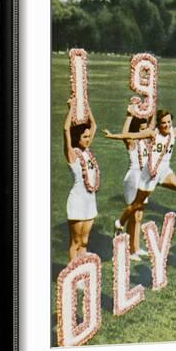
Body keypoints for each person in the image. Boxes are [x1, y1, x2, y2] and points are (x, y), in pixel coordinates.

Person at [104, 107, 176, 235]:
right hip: (150, 173)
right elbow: (131, 135)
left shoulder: (174, 132)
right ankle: (119, 222)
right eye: (164, 123)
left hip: (165, 171)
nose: (167, 125)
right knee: (137, 204)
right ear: (159, 124)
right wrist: (112, 136)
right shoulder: (153, 134)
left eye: (169, 122)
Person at [108, 105, 153, 260]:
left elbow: (151, 126)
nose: (145, 131)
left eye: (146, 128)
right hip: (133, 178)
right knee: (133, 214)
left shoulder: (146, 142)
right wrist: (128, 116)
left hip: (144, 178)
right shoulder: (132, 141)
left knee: (139, 216)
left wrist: (151, 105)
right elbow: (125, 133)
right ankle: (129, 250)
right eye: (141, 129)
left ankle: (136, 247)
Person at [63, 99, 99, 262]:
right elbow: (65, 129)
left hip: (90, 200)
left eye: (88, 136)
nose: (88, 139)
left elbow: (94, 125)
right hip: (77, 200)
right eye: (85, 137)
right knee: (75, 242)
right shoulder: (72, 154)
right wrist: (71, 108)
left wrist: (86, 105)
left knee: (84, 242)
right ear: (77, 138)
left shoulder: (87, 151)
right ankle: (71, 276)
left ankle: (82, 273)